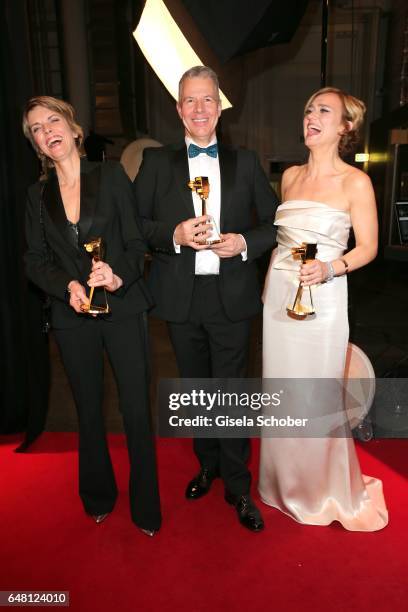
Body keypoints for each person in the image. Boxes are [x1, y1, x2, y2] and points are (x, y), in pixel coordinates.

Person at [134, 66, 279, 532]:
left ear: (220, 107)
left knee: (232, 393)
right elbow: (135, 225)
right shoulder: (157, 163)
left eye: (207, 100)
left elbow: (274, 224)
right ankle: (207, 464)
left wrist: (244, 243)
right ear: (178, 109)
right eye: (190, 101)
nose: (199, 109)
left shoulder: (248, 162)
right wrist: (174, 234)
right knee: (197, 390)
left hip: (232, 295)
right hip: (179, 298)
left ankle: (238, 485)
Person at [22, 96, 161, 536]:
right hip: (72, 316)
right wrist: (69, 286)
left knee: (136, 409)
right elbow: (34, 259)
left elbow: (137, 243)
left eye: (53, 120)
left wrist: (117, 277)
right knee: (88, 410)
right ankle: (99, 496)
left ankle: (145, 507)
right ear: (38, 145)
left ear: (74, 129)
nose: (47, 131)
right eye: (37, 129)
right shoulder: (36, 195)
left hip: (122, 307)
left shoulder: (112, 175)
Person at [258, 87, 388, 531]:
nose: (311, 116)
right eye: (309, 108)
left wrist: (331, 269)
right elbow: (281, 243)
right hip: (279, 298)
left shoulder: (356, 182)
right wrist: (266, 288)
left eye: (324, 111)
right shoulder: (290, 176)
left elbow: (369, 247)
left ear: (345, 127)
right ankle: (282, 483)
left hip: (325, 298)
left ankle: (321, 489)